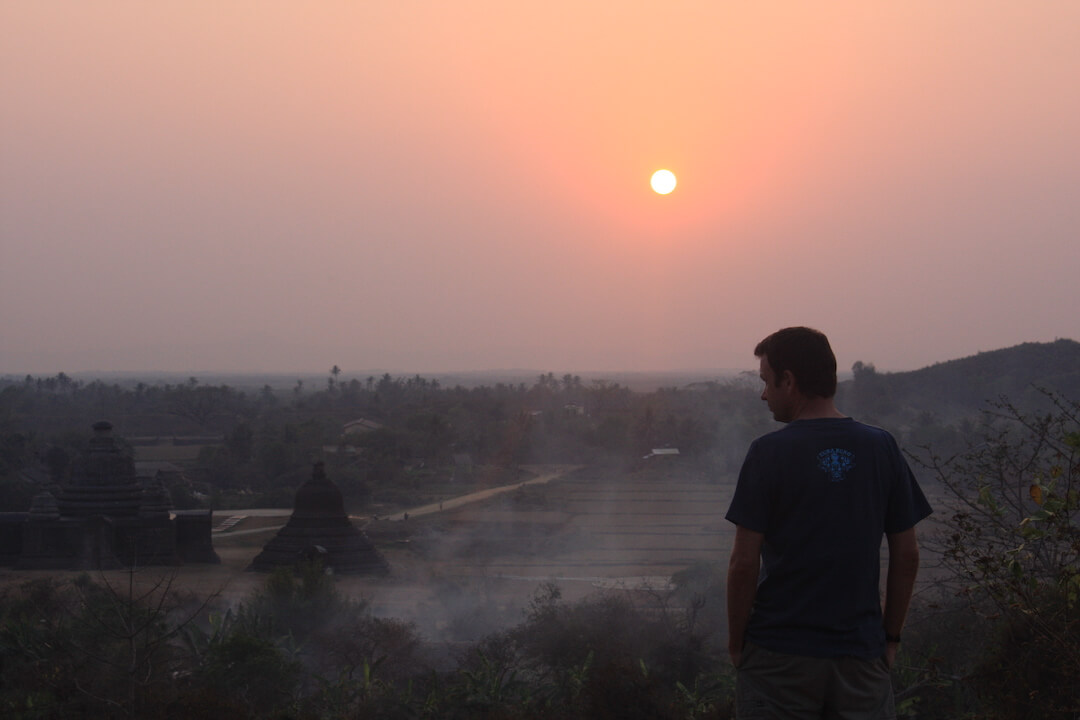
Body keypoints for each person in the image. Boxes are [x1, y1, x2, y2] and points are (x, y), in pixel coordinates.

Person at [725, 327, 932, 719]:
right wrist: (890, 639)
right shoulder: (880, 446)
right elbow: (907, 554)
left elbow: (743, 564)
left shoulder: (768, 453)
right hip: (861, 657)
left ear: (789, 380)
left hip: (777, 658)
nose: (764, 394)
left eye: (768, 382)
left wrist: (738, 645)